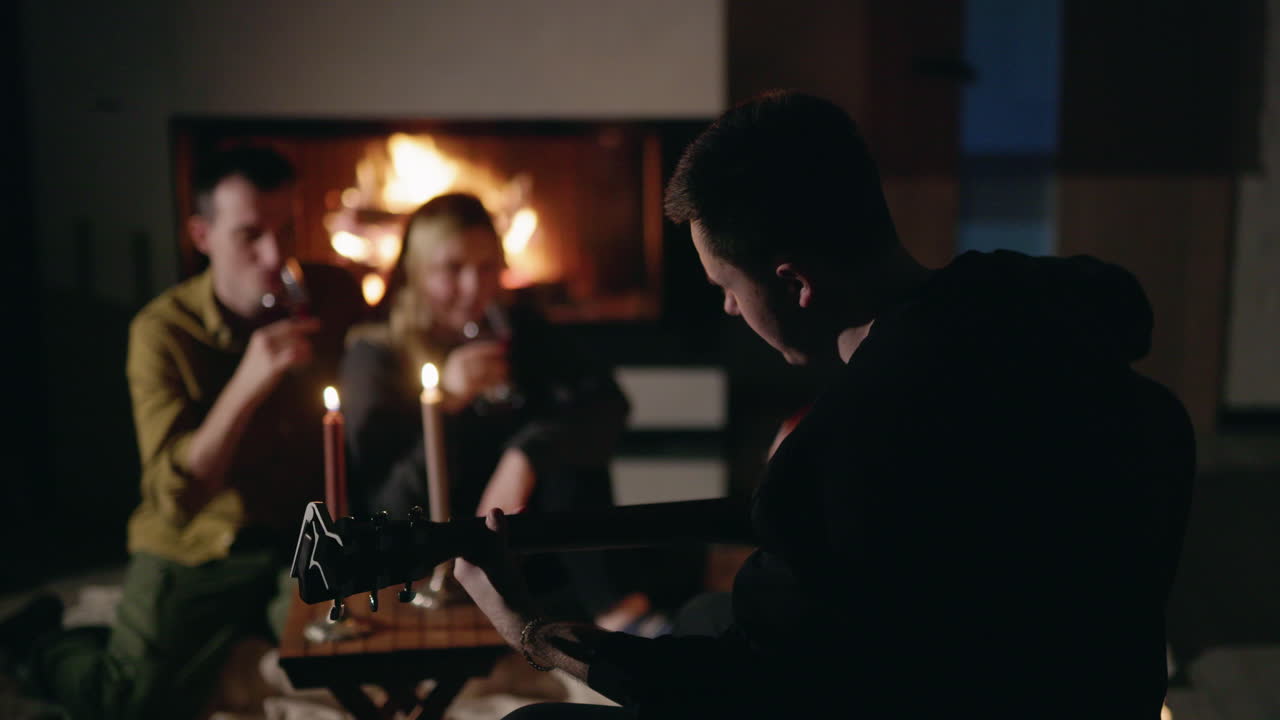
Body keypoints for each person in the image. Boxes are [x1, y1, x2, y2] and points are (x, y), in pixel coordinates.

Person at [451, 91, 1196, 719]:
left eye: (728, 291)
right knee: (707, 616)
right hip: (1092, 688)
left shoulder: (843, 449)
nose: (731, 314)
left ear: (794, 283)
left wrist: (534, 631)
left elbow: (733, 692)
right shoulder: (1058, 317)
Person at [11, 146, 364, 719]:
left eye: (287, 230)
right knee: (127, 700)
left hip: (297, 537)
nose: (275, 255)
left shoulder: (332, 294)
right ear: (202, 236)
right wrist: (248, 383)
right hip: (202, 545)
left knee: (353, 658)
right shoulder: (162, 333)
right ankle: (42, 642)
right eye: (250, 235)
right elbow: (176, 498)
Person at [341, 193, 655, 630]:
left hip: (521, 540)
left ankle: (620, 615)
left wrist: (523, 457)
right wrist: (444, 407)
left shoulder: (516, 327)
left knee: (564, 445)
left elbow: (608, 402)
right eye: (452, 270)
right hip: (426, 557)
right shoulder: (375, 354)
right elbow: (385, 508)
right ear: (415, 272)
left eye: (487, 267)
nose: (474, 287)